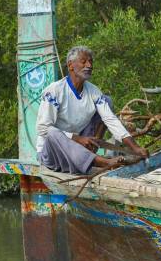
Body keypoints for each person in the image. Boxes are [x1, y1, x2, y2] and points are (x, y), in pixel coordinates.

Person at [36, 45, 148, 174]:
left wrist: (135, 148)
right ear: (70, 65)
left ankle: (91, 151)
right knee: (51, 132)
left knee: (107, 100)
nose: (89, 65)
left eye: (91, 61)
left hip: (76, 151)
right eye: (83, 62)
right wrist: (78, 139)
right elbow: (42, 128)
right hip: (52, 156)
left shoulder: (93, 91)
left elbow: (110, 119)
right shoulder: (54, 91)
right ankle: (103, 162)